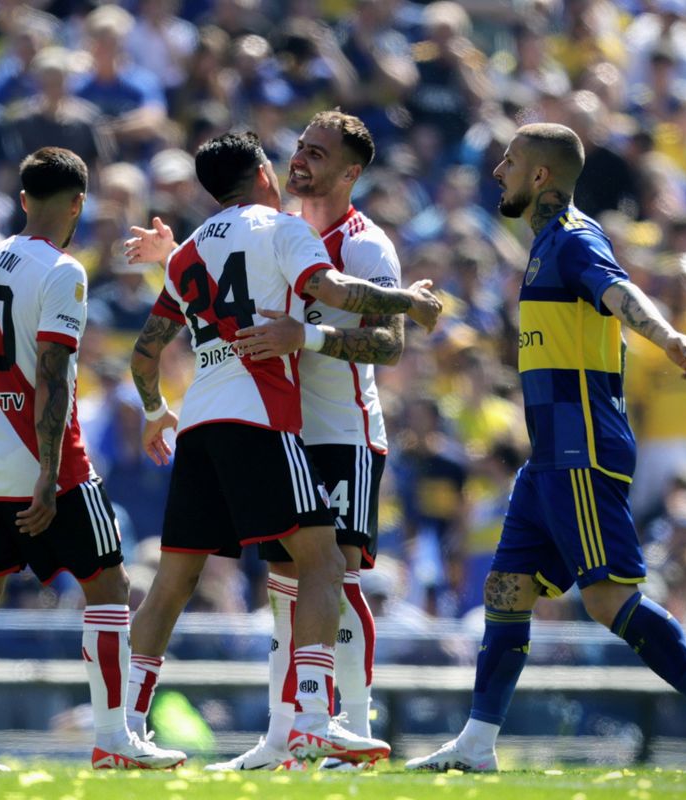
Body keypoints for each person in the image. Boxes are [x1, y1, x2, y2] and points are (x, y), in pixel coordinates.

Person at [406, 124, 686, 774]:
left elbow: (619, 291)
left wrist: (668, 336)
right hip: (549, 456)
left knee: (605, 597)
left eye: (509, 162)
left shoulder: (573, 238)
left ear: (540, 176)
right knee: (507, 589)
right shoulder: (544, 244)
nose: (497, 173)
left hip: (582, 446)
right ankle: (478, 744)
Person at [123, 131, 440, 766]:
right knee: (307, 576)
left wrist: (156, 409)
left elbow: (387, 345)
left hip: (312, 426)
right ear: (265, 169)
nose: (300, 158)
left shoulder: (363, 241)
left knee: (293, 578)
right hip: (272, 423)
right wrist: (413, 301)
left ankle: (125, 724)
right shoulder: (283, 229)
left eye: (316, 152)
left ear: (350, 173)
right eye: (297, 148)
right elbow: (332, 292)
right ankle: (302, 727)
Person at [0, 147, 185, 772]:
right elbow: (49, 374)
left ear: (23, 200)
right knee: (110, 582)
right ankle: (113, 737)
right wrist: (48, 476)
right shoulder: (64, 271)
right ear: (78, 203)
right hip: (49, 458)